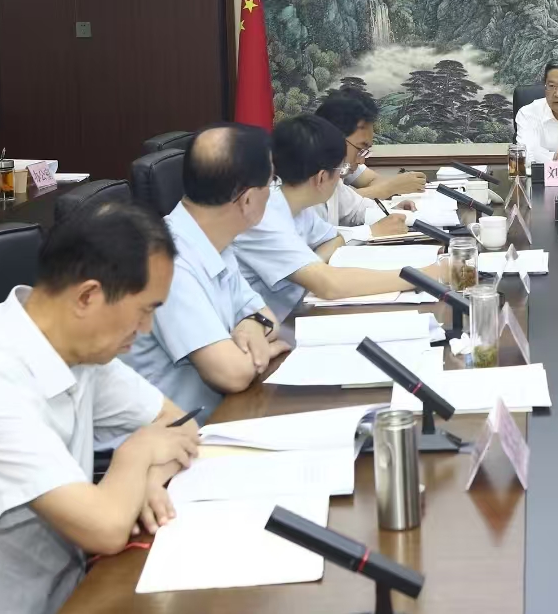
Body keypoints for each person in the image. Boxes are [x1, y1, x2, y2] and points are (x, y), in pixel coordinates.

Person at [0, 202, 200, 614]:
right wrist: (136, 455)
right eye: (144, 310)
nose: (145, 329)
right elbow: (106, 529)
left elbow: (180, 425)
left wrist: (142, 484)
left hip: (69, 591)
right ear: (88, 296)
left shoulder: (80, 349)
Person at [122, 125, 290, 422]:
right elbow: (232, 375)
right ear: (248, 199)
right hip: (169, 440)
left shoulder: (213, 239)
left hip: (217, 418)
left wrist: (252, 328)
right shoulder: (168, 261)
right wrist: (261, 347)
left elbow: (267, 318)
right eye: (271, 182)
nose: (273, 191)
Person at [233, 114, 444, 322]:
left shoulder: (298, 205)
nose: (340, 180)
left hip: (295, 313)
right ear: (321, 178)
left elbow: (335, 240)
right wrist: (426, 275)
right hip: (264, 329)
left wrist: (313, 264)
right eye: (340, 170)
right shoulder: (262, 215)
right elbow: (330, 285)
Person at [314, 89, 426, 234]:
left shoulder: (334, 174)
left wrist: (394, 213)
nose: (361, 161)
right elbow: (316, 240)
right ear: (333, 138)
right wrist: (372, 231)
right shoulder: (301, 177)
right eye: (360, 149)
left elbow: (356, 211)